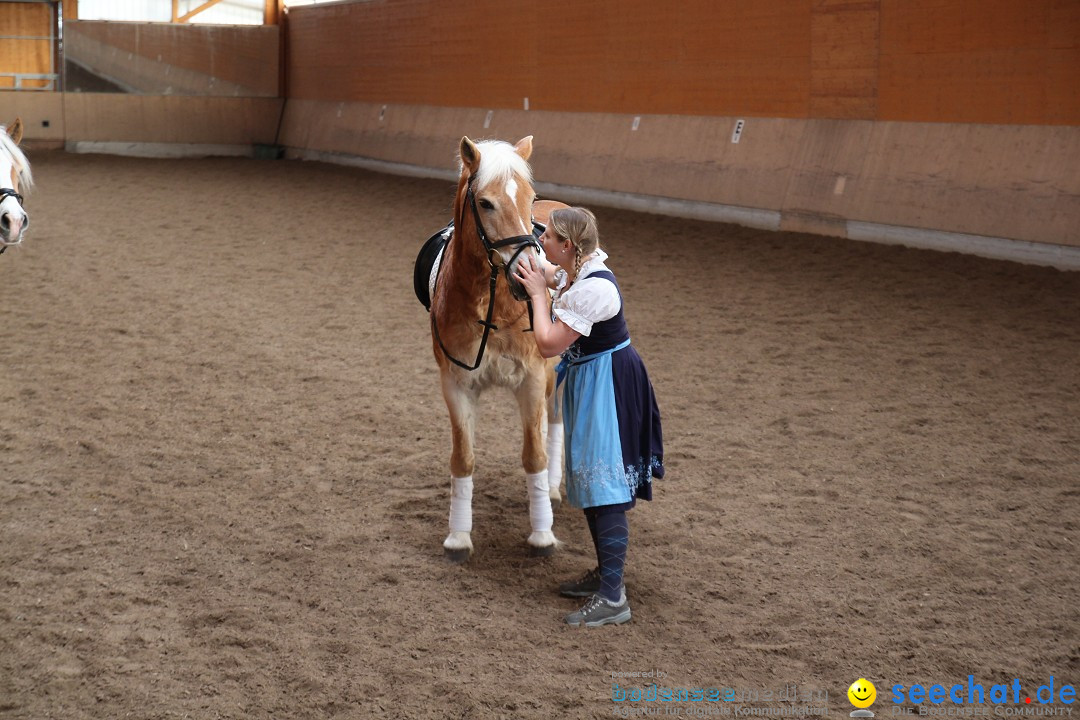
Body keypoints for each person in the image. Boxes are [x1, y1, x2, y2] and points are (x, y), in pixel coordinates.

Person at [514, 206, 664, 627]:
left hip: (609, 385)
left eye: (549, 238)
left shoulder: (595, 290)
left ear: (569, 246)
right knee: (592, 479)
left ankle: (613, 597)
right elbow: (547, 271)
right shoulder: (578, 271)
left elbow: (547, 344)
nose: (542, 242)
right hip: (594, 379)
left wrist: (538, 298)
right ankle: (607, 575)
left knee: (605, 484)